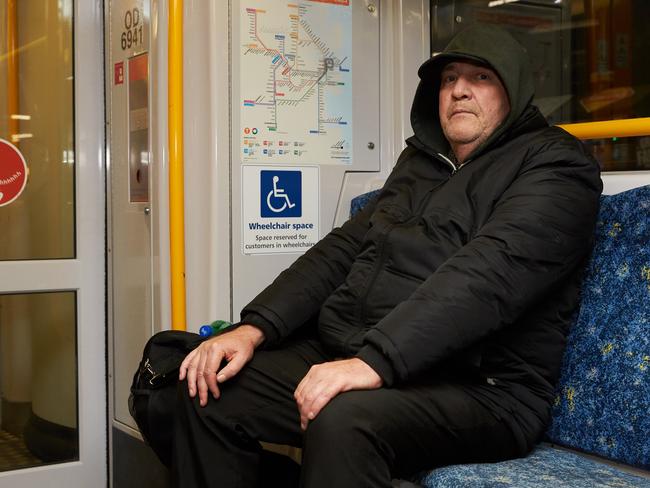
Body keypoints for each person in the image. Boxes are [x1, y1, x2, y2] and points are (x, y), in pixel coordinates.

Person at [171, 24, 602, 487]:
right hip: (369, 350)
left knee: (341, 418)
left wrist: (375, 362)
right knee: (198, 384)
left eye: (480, 78)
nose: (458, 91)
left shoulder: (556, 165)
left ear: (512, 91)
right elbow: (342, 249)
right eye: (448, 79)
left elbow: (487, 277)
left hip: (483, 388)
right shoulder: (421, 163)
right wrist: (253, 329)